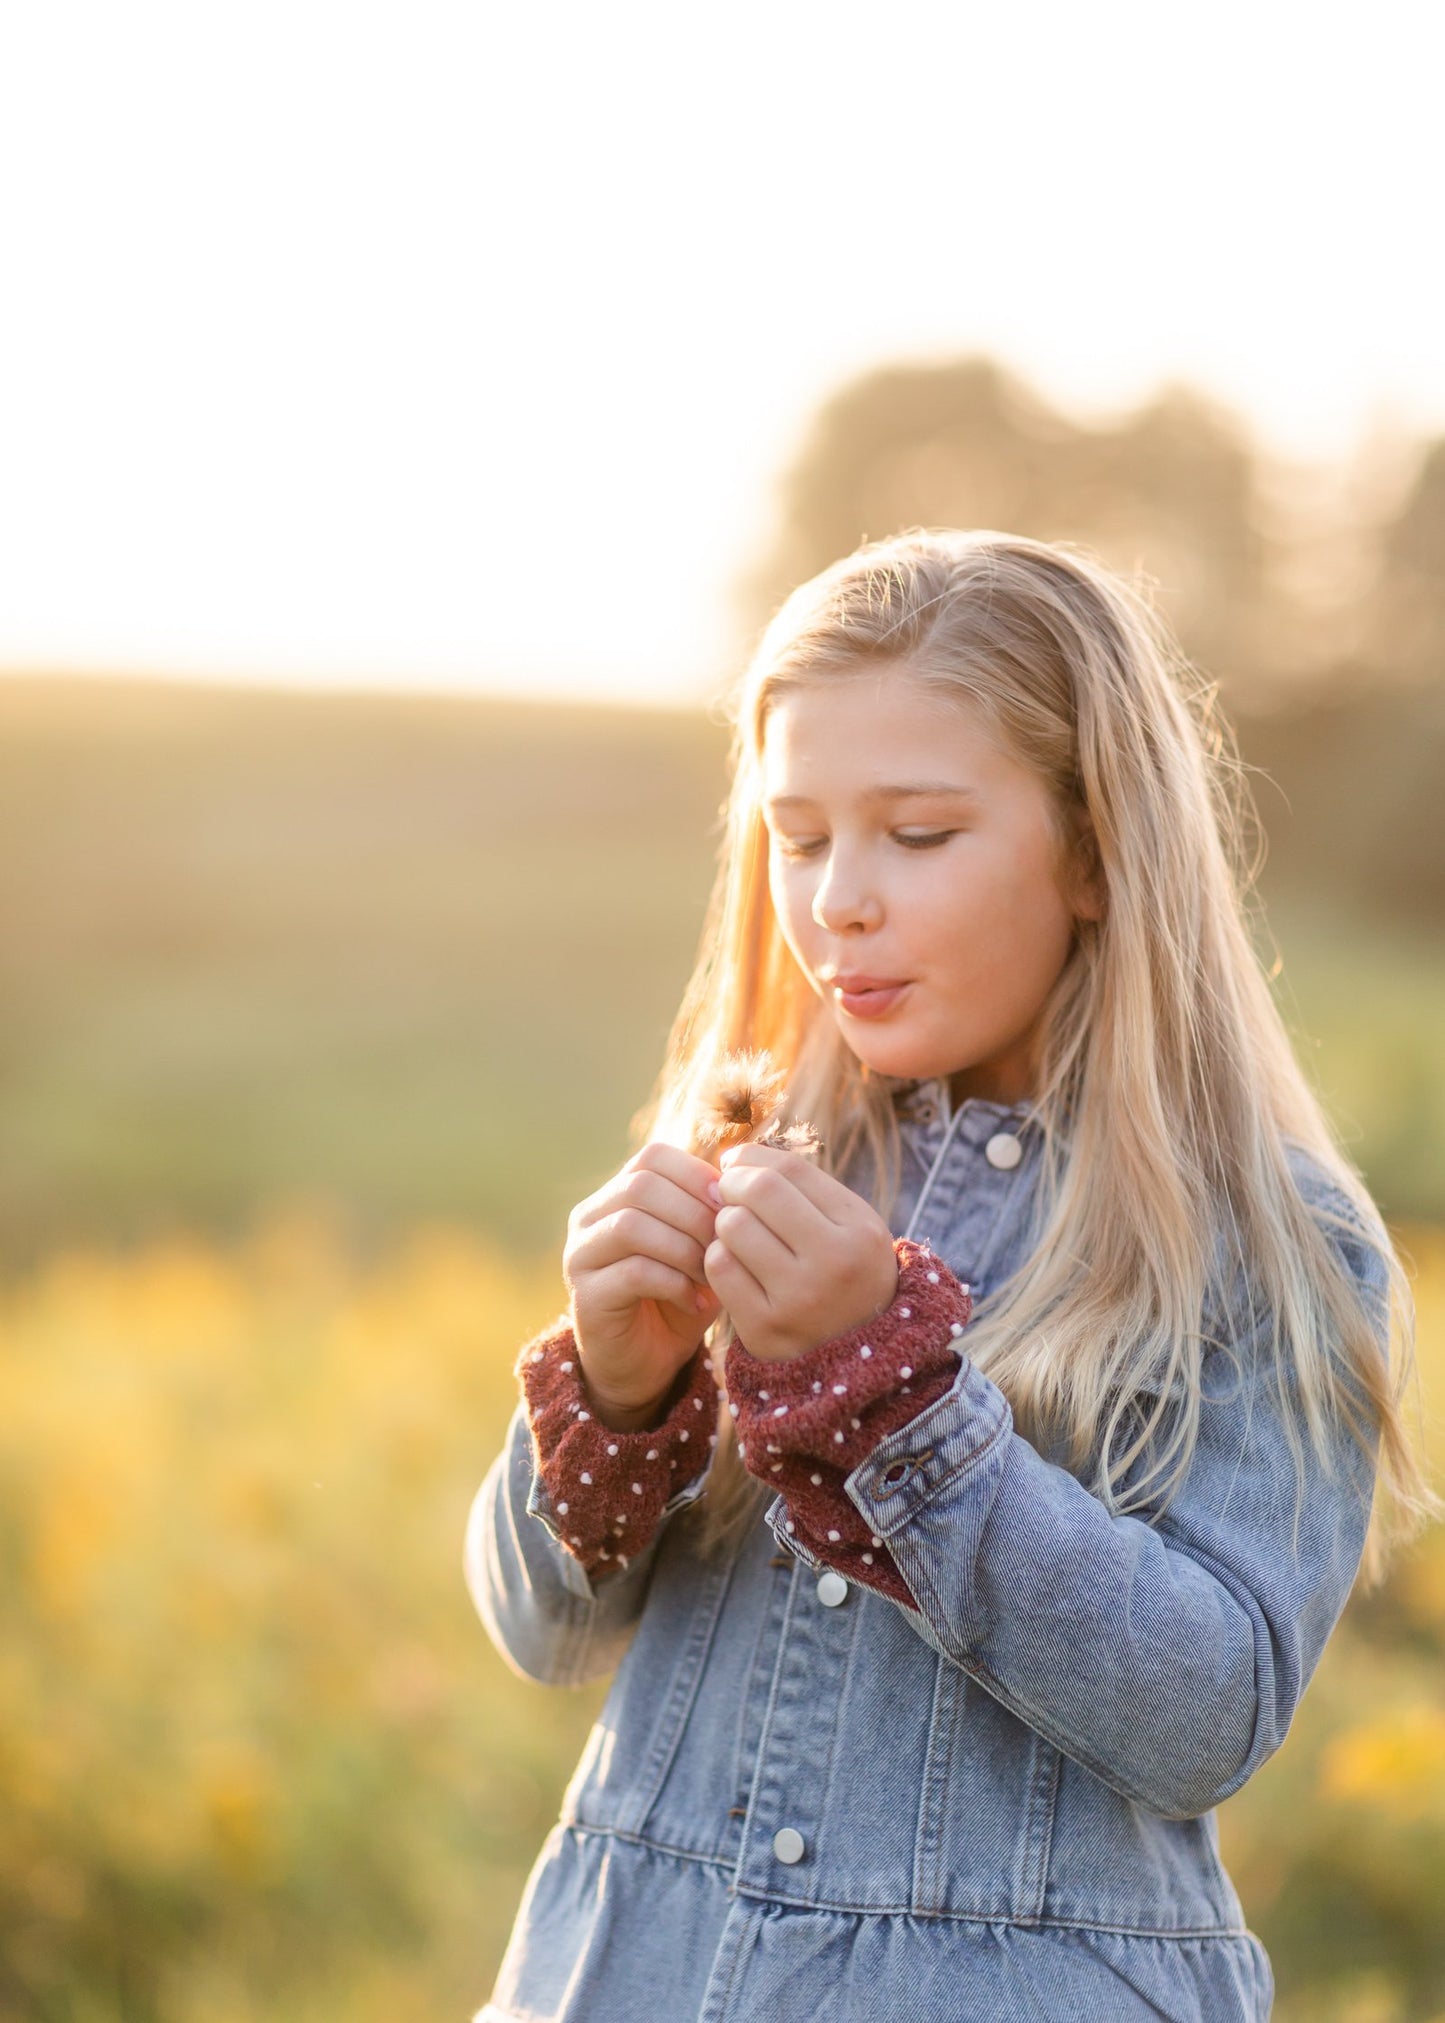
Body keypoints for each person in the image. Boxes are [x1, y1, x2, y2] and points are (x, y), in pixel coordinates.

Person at [464, 529, 1436, 2022]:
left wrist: (895, 1413)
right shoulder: (750, 1153)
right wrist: (615, 1383)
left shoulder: (1267, 1238)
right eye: (799, 837)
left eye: (916, 834)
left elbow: (1204, 1719)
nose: (840, 897)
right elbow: (550, 1634)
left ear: (1100, 853)